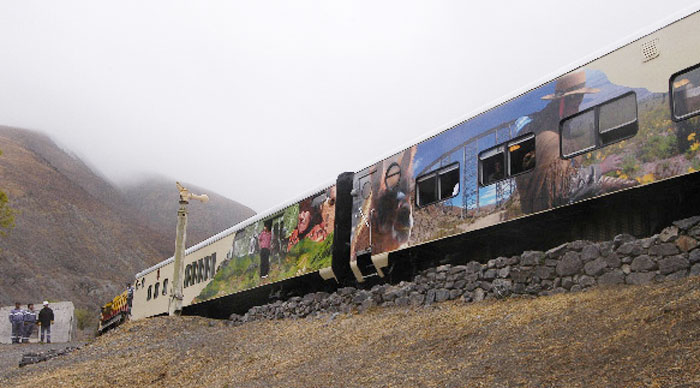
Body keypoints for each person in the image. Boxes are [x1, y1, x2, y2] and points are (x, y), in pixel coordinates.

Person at [515, 71, 637, 214]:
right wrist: (601, 168)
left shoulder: (553, 129)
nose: (576, 110)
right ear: (562, 103)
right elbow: (564, 189)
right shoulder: (550, 139)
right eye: (574, 105)